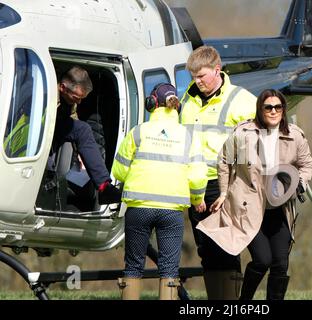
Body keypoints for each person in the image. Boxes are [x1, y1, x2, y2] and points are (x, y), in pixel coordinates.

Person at [197, 89, 312, 300]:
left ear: (283, 110)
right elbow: (224, 160)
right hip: (248, 207)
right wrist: (223, 192)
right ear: (260, 109)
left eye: (278, 107)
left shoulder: (295, 135)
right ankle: (245, 303)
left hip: (279, 208)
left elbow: (307, 165)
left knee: (281, 263)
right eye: (268, 107)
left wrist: (300, 183)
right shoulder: (243, 134)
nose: (273, 111)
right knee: (262, 260)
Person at [112, 83, 207, 300]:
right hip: (171, 211)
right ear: (176, 107)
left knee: (134, 265)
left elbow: (119, 170)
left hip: (139, 208)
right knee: (169, 269)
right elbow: (198, 176)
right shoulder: (187, 137)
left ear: (152, 103)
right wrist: (197, 198)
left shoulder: (139, 132)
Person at [180, 45, 257, 300]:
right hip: (194, 185)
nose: (197, 82)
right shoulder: (186, 101)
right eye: (193, 77)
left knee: (225, 245)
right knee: (205, 247)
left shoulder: (242, 100)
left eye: (201, 76)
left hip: (223, 184)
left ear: (217, 69)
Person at [53, 65, 121, 205]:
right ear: (63, 87)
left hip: (55, 128)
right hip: (42, 129)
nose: (79, 102)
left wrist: (81, 149)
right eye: (76, 97)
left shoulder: (70, 99)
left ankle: (104, 187)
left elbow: (73, 118)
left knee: (82, 130)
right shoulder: (47, 95)